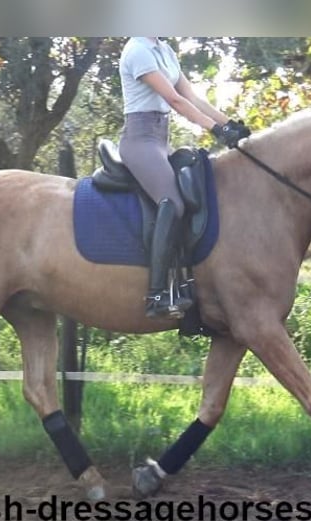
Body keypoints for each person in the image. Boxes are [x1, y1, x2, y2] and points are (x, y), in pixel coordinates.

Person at [118, 37, 250, 320]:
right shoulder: (138, 49)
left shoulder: (164, 51)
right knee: (173, 202)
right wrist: (214, 130)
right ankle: (155, 294)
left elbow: (192, 96)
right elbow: (174, 100)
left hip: (160, 140)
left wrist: (230, 124)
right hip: (139, 141)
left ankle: (189, 280)